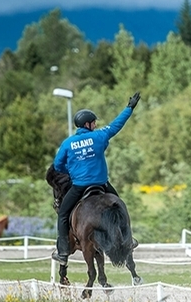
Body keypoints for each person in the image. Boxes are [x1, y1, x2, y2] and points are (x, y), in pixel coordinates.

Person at [51, 91, 141, 265]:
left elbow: (57, 166)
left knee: (63, 214)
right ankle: (128, 239)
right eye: (94, 122)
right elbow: (116, 125)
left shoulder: (68, 143)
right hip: (102, 184)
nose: (96, 124)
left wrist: (70, 170)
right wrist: (129, 108)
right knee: (120, 206)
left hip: (79, 187)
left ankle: (62, 252)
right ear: (88, 124)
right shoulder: (99, 136)